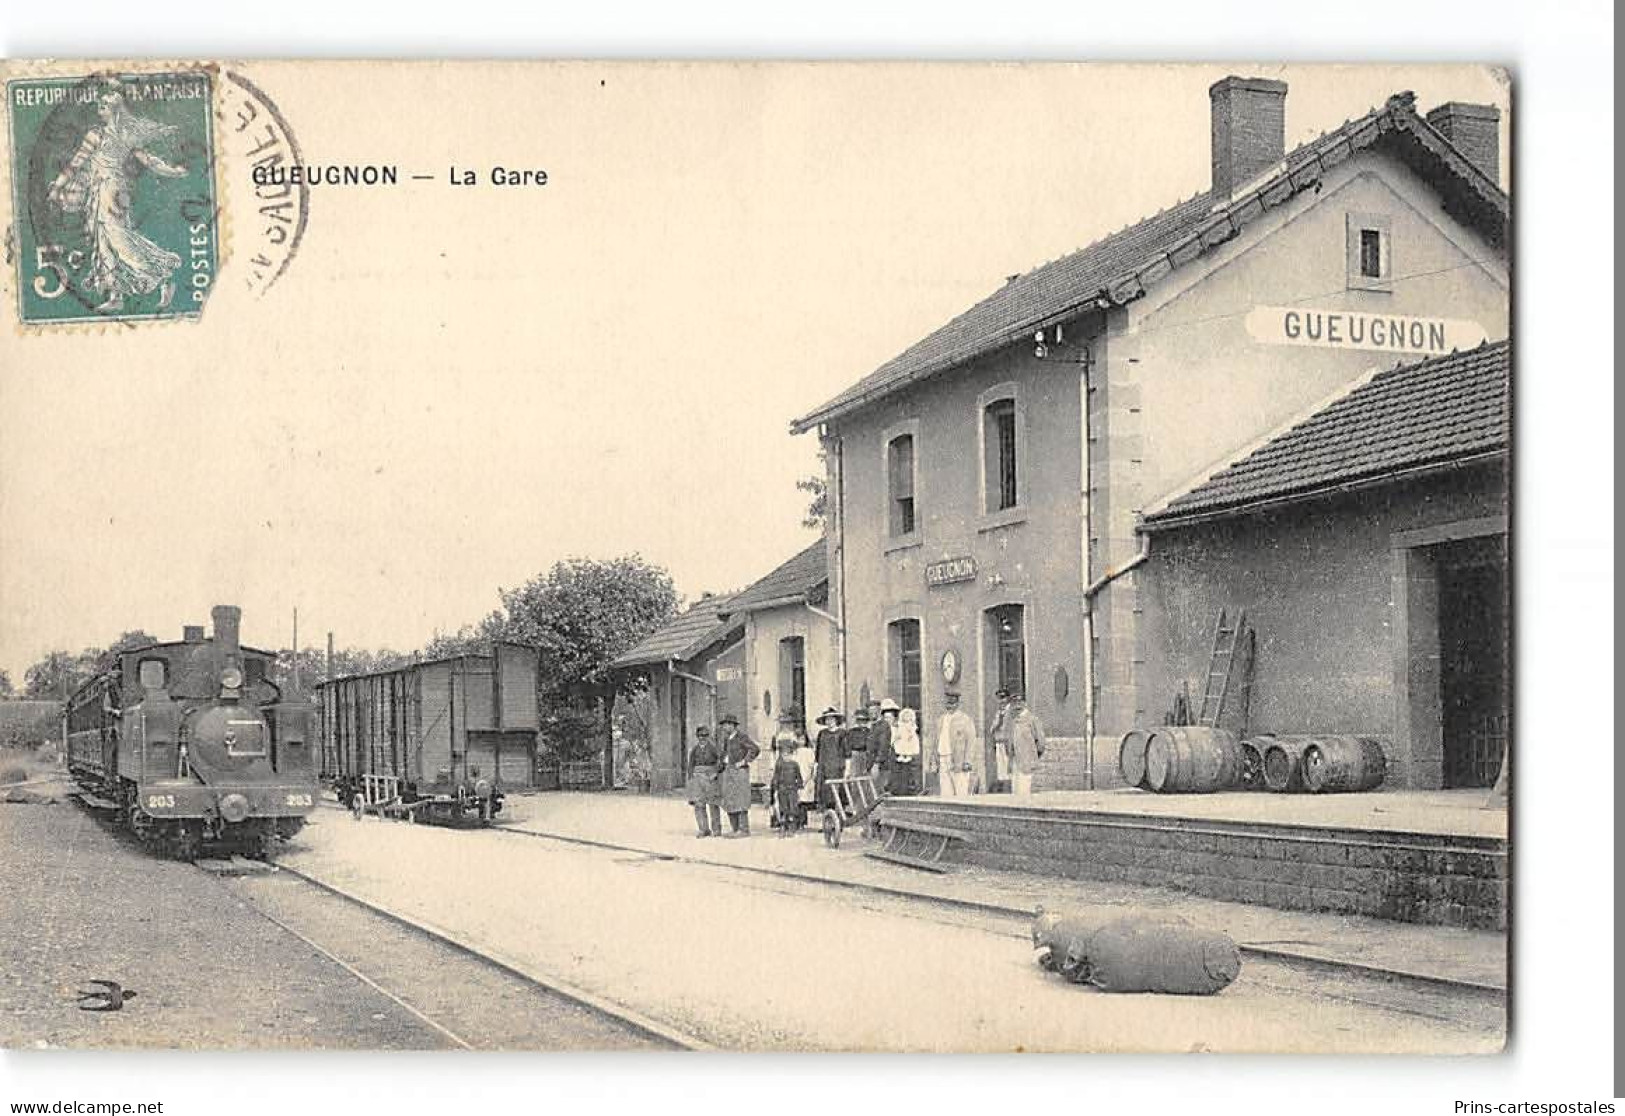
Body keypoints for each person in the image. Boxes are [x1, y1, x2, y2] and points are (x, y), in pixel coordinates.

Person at [716, 712, 760, 837]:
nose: (724, 728)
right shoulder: (726, 739)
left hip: (739, 771)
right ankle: (735, 829)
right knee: (729, 799)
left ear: (732, 725)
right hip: (728, 770)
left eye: (726, 725)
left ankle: (744, 829)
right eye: (723, 725)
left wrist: (744, 761)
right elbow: (724, 754)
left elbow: (755, 749)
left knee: (741, 799)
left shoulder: (742, 737)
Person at [935, 690, 977, 797]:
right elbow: (936, 740)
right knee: (945, 790)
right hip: (943, 757)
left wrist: (968, 761)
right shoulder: (941, 719)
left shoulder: (965, 719)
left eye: (952, 703)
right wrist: (935, 759)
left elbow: (971, 742)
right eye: (947, 703)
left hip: (958, 758)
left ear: (958, 704)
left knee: (961, 790)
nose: (949, 706)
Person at [1008, 691, 1047, 797]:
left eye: (1019, 702)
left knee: (1024, 792)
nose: (1017, 705)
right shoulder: (1013, 721)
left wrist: (1033, 756)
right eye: (1014, 703)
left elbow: (1041, 742)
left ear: (1024, 703)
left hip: (1027, 762)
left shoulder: (1032, 720)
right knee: (1015, 792)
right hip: (1016, 762)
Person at [686, 725, 722, 837]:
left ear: (708, 736)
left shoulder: (713, 748)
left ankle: (716, 829)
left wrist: (715, 772)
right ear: (697, 736)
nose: (703, 738)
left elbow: (721, 761)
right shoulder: (694, 750)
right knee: (699, 804)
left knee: (713, 804)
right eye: (701, 735)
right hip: (697, 778)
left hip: (710, 777)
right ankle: (703, 829)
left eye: (705, 735)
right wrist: (691, 781)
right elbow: (690, 765)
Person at [813, 706, 846, 808]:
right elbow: (818, 752)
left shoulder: (842, 733)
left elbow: (846, 752)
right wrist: (816, 767)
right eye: (827, 719)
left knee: (837, 791)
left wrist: (847, 769)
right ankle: (827, 813)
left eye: (831, 719)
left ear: (836, 720)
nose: (829, 721)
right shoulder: (822, 733)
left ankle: (840, 812)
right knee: (824, 791)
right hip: (823, 766)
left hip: (836, 766)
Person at [772, 743, 805, 836]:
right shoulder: (779, 765)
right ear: (781, 755)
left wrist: (799, 787)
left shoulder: (795, 765)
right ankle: (783, 826)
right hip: (782, 789)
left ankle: (792, 827)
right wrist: (775, 789)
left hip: (792, 789)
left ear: (792, 755)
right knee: (783, 808)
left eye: (788, 755)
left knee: (793, 808)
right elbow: (776, 777)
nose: (786, 757)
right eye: (784, 755)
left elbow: (799, 777)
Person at [891, 706, 922, 795]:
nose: (906, 719)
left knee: (910, 771)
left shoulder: (912, 726)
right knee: (901, 771)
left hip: (909, 743)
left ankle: (913, 788)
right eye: (905, 717)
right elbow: (896, 736)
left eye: (908, 717)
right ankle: (900, 789)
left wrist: (910, 732)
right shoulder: (899, 726)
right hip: (901, 743)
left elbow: (913, 734)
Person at [988, 688, 1014, 793]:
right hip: (999, 742)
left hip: (1008, 743)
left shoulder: (1011, 711)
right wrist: (997, 723)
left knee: (1009, 767)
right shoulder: (999, 712)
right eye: (999, 698)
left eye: (1003, 698)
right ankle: (1004, 790)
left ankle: (1010, 790)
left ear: (1008, 698)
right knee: (1001, 768)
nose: (1001, 701)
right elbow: (992, 728)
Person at [872, 698, 900, 793]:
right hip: (885, 757)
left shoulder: (897, 729)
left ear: (894, 717)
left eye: (890, 717)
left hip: (896, 755)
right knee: (883, 778)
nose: (888, 720)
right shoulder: (880, 729)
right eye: (886, 717)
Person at [843, 706, 873, 778]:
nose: (861, 723)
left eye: (863, 720)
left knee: (865, 776)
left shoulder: (869, 732)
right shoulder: (851, 732)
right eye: (859, 720)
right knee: (854, 776)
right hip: (854, 755)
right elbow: (848, 746)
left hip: (865, 755)